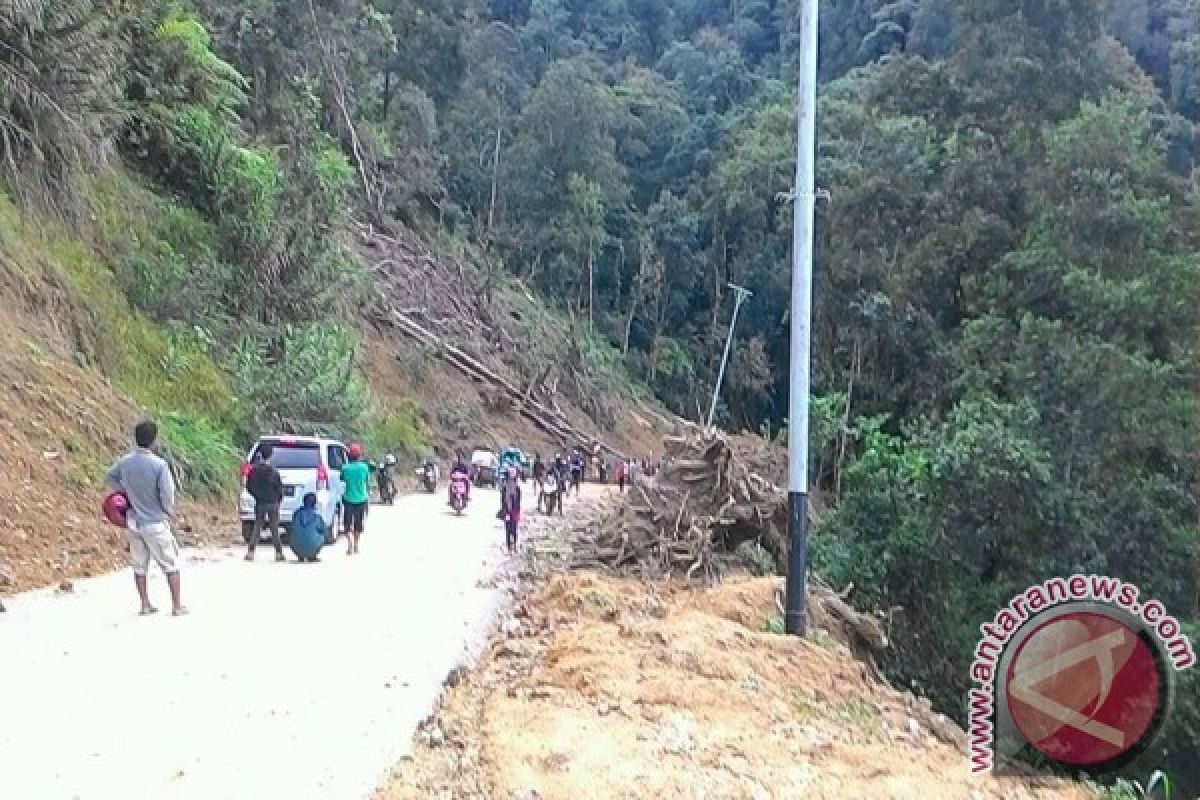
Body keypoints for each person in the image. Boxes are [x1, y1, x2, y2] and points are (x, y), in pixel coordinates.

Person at [104, 419, 187, 615]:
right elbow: (167, 493)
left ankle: (145, 604)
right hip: (155, 522)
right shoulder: (159, 465)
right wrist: (168, 511)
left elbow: (109, 477)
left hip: (133, 522)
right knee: (170, 564)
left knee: (139, 565)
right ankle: (176, 605)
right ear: (154, 441)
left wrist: (126, 492)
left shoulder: (125, 462)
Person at [245, 442, 286, 562]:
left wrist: (257, 496)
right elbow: (279, 489)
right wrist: (278, 500)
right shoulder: (273, 472)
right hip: (273, 503)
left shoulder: (254, 471)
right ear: (271, 455)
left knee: (257, 527)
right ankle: (278, 553)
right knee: (274, 528)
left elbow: (249, 486)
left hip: (260, 502)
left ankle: (251, 552)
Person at [341, 443, 370, 555]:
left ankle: (349, 544)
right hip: (361, 499)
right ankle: (357, 545)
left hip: (348, 499)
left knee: (347, 524)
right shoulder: (364, 467)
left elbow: (342, 480)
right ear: (359, 455)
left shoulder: (345, 468)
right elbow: (367, 482)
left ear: (348, 455)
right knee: (358, 523)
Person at [290, 492, 327, 563]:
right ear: (315, 503)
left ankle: (300, 555)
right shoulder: (317, 516)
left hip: (296, 546)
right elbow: (324, 531)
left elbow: (293, 526)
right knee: (322, 535)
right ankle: (312, 556)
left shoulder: (297, 513)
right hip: (313, 545)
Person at [500, 466, 522, 554]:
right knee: (511, 528)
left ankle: (512, 546)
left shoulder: (515, 488)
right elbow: (503, 500)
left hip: (512, 511)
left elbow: (517, 501)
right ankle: (511, 546)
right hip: (510, 511)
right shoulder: (509, 488)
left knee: (511, 529)